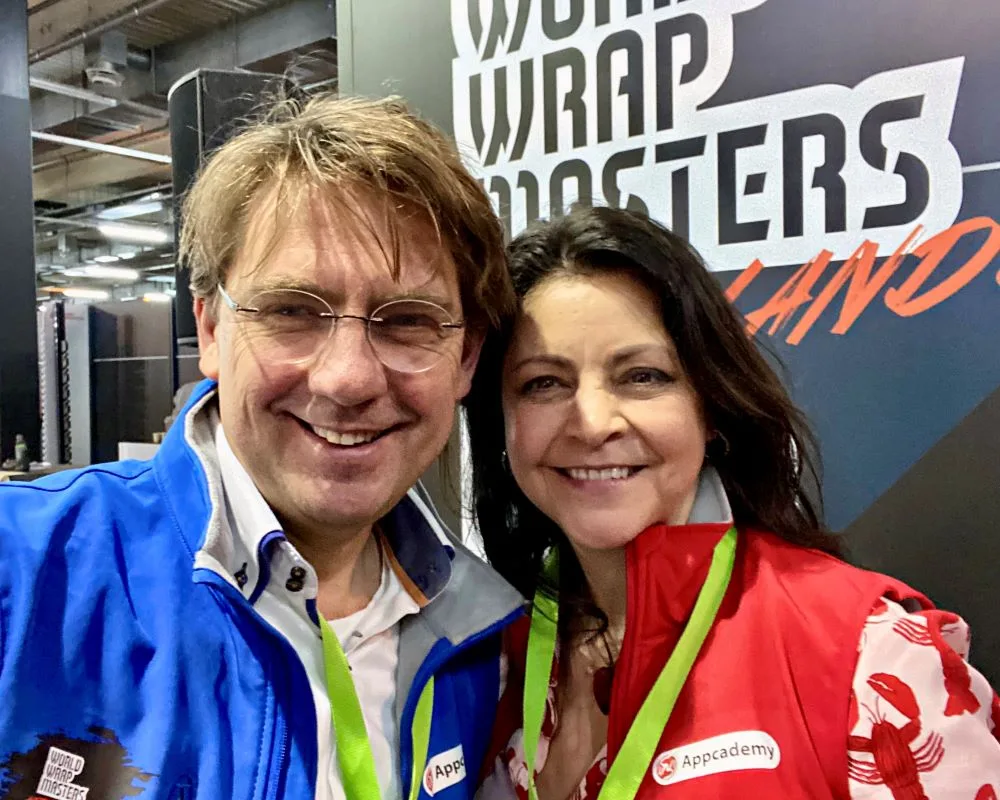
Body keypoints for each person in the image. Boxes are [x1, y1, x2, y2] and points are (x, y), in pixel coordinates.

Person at [0, 94, 524, 800]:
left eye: (406, 321)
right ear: (211, 330)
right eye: (291, 311)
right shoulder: (27, 573)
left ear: (466, 359)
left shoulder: (483, 644)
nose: (347, 379)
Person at [465, 206, 1000, 799]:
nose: (591, 423)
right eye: (543, 383)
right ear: (501, 422)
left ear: (711, 406)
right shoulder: (487, 656)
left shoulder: (873, 656)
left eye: (643, 376)